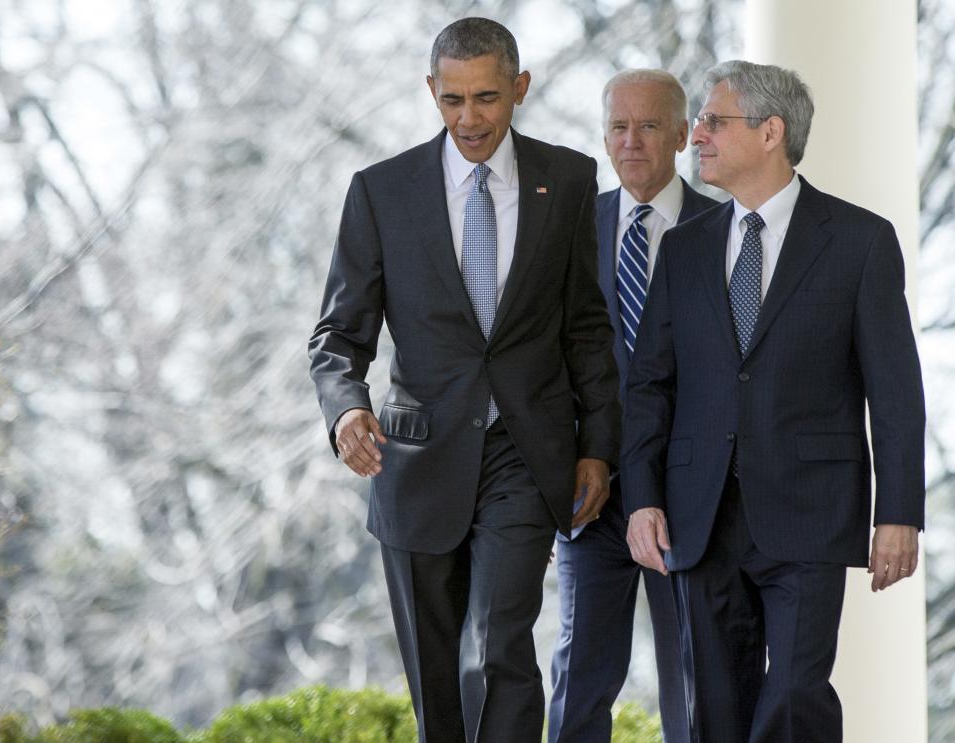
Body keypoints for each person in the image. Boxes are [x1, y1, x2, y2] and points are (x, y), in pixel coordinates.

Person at [308, 17, 619, 743]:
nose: (469, 118)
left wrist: (596, 445)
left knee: (498, 646)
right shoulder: (381, 192)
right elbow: (338, 334)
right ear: (430, 91)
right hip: (414, 460)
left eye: (485, 98)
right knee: (436, 674)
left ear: (519, 88)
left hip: (524, 453)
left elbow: (584, 326)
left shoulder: (567, 179)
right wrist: (346, 410)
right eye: (451, 100)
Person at [622, 59, 925, 743]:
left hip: (811, 511)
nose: (694, 133)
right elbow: (648, 384)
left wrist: (898, 513)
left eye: (712, 120)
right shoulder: (683, 248)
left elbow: (896, 390)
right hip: (699, 515)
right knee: (716, 712)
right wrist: (641, 496)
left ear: (769, 133)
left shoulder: (859, 240)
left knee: (793, 696)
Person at [548, 69, 716, 743]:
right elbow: (542, 358)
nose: (631, 142)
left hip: (691, 495)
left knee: (697, 679)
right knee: (578, 676)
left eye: (648, 126)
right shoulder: (567, 232)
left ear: (680, 134)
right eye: (618, 127)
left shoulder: (726, 228)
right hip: (592, 492)